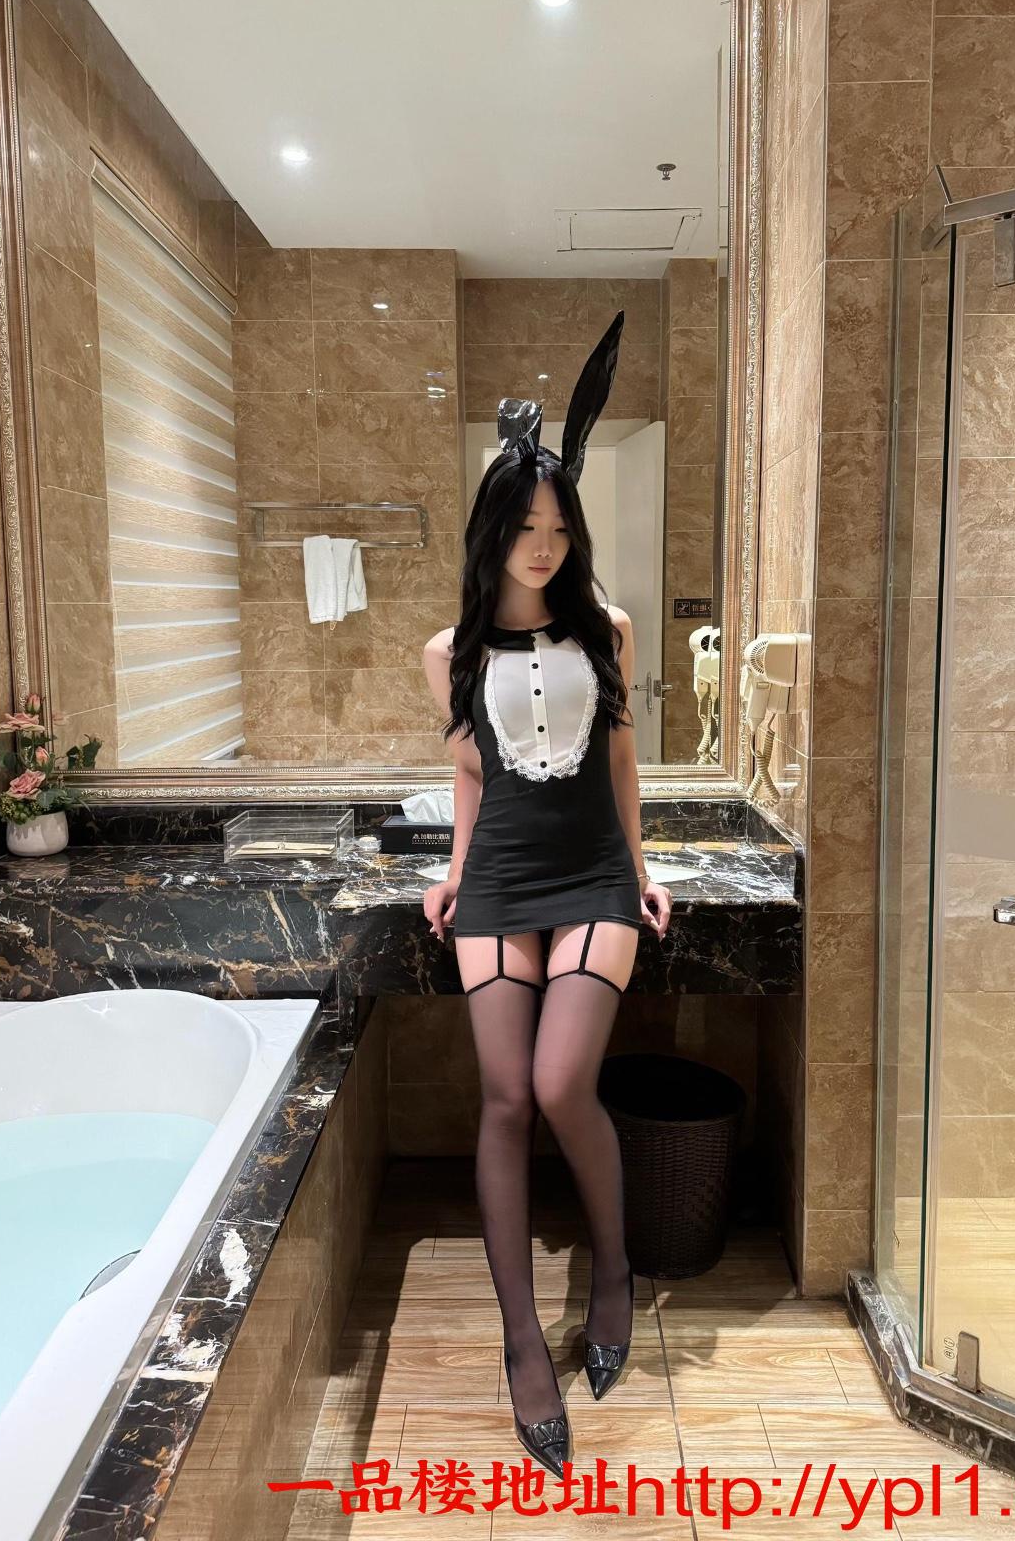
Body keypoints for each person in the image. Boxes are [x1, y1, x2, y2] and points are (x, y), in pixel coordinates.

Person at [421, 311, 673, 1478]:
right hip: (501, 879)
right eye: (525, 526)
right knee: (507, 1096)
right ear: (494, 530)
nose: (543, 544)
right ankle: (524, 1339)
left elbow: (622, 761)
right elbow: (470, 773)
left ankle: (612, 1271)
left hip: (593, 876)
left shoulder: (606, 630)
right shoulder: (450, 652)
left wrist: (644, 866)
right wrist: (455, 869)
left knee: (565, 1081)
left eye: (559, 527)